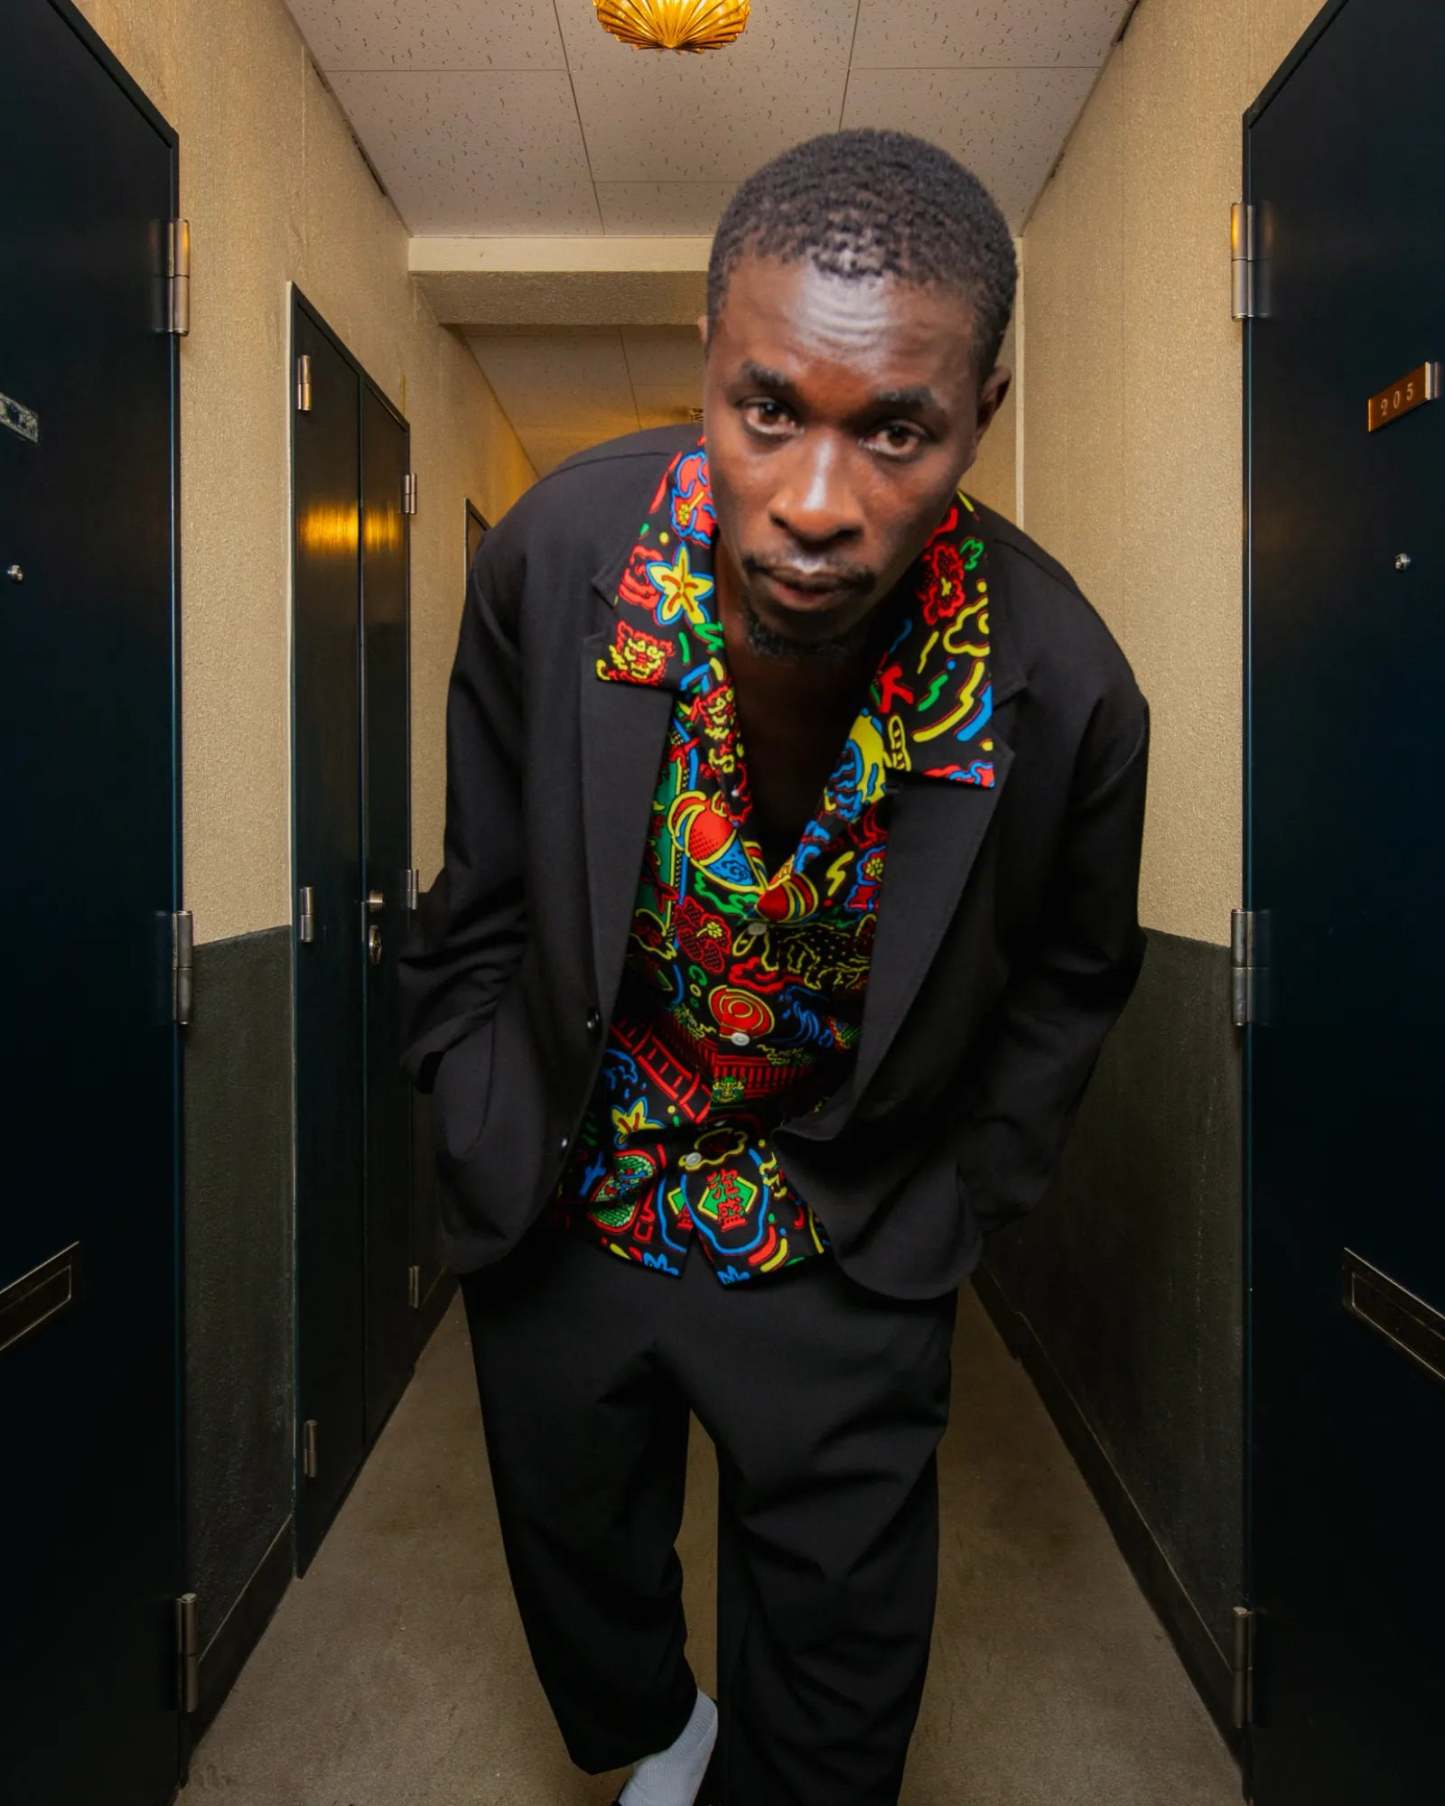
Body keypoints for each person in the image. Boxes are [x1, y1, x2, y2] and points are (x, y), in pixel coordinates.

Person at [399, 127, 1149, 1806]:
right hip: (579, 1178)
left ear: (980, 413)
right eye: (767, 411)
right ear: (706, 363)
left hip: (847, 1217)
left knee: (837, 1675)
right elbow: (483, 884)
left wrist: (953, 1201)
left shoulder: (1066, 687)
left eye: (894, 430)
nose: (816, 503)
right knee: (577, 1556)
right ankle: (662, 1735)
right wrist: (464, 1091)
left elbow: (1072, 977)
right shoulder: (557, 558)